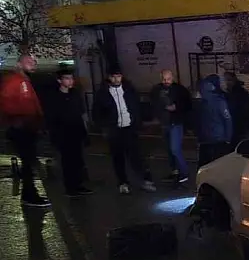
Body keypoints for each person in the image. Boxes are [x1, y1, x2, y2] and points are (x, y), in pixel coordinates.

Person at [92, 65, 155, 195]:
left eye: (118, 76)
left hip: (129, 128)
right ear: (109, 78)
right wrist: (104, 126)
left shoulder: (129, 90)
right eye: (114, 77)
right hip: (114, 130)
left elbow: (136, 106)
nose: (116, 79)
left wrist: (138, 122)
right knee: (118, 158)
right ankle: (123, 182)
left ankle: (144, 180)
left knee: (136, 156)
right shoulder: (103, 94)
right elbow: (97, 112)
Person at [0, 55, 49, 207]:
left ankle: (29, 194)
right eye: (29, 62)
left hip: (28, 127)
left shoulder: (24, 81)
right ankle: (29, 195)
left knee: (29, 162)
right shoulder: (15, 82)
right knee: (28, 162)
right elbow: (8, 103)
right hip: (22, 128)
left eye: (34, 62)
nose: (33, 64)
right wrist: (20, 120)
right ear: (19, 64)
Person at [43, 69, 92, 197]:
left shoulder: (75, 94)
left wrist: (85, 131)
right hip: (63, 134)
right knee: (67, 162)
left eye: (71, 78)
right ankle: (70, 187)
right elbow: (51, 118)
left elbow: (82, 113)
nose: (70, 81)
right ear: (60, 80)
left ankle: (79, 185)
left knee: (78, 160)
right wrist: (54, 134)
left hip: (76, 131)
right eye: (67, 78)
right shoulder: (54, 97)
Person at [150, 70, 191, 184]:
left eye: (168, 79)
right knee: (169, 150)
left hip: (175, 123)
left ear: (173, 78)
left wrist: (176, 107)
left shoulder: (180, 90)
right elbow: (153, 103)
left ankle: (184, 172)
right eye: (164, 79)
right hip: (165, 123)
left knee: (175, 149)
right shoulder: (156, 90)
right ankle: (175, 172)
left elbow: (187, 104)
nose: (166, 81)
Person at [197, 74, 234, 168]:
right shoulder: (219, 100)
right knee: (218, 167)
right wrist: (228, 138)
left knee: (204, 166)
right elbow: (227, 119)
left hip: (205, 138)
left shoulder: (201, 100)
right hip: (218, 138)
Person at [223, 72, 249, 146]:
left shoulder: (241, 93)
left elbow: (244, 110)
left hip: (238, 126)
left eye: (229, 80)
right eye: (225, 80)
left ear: (234, 80)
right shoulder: (224, 94)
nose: (227, 82)